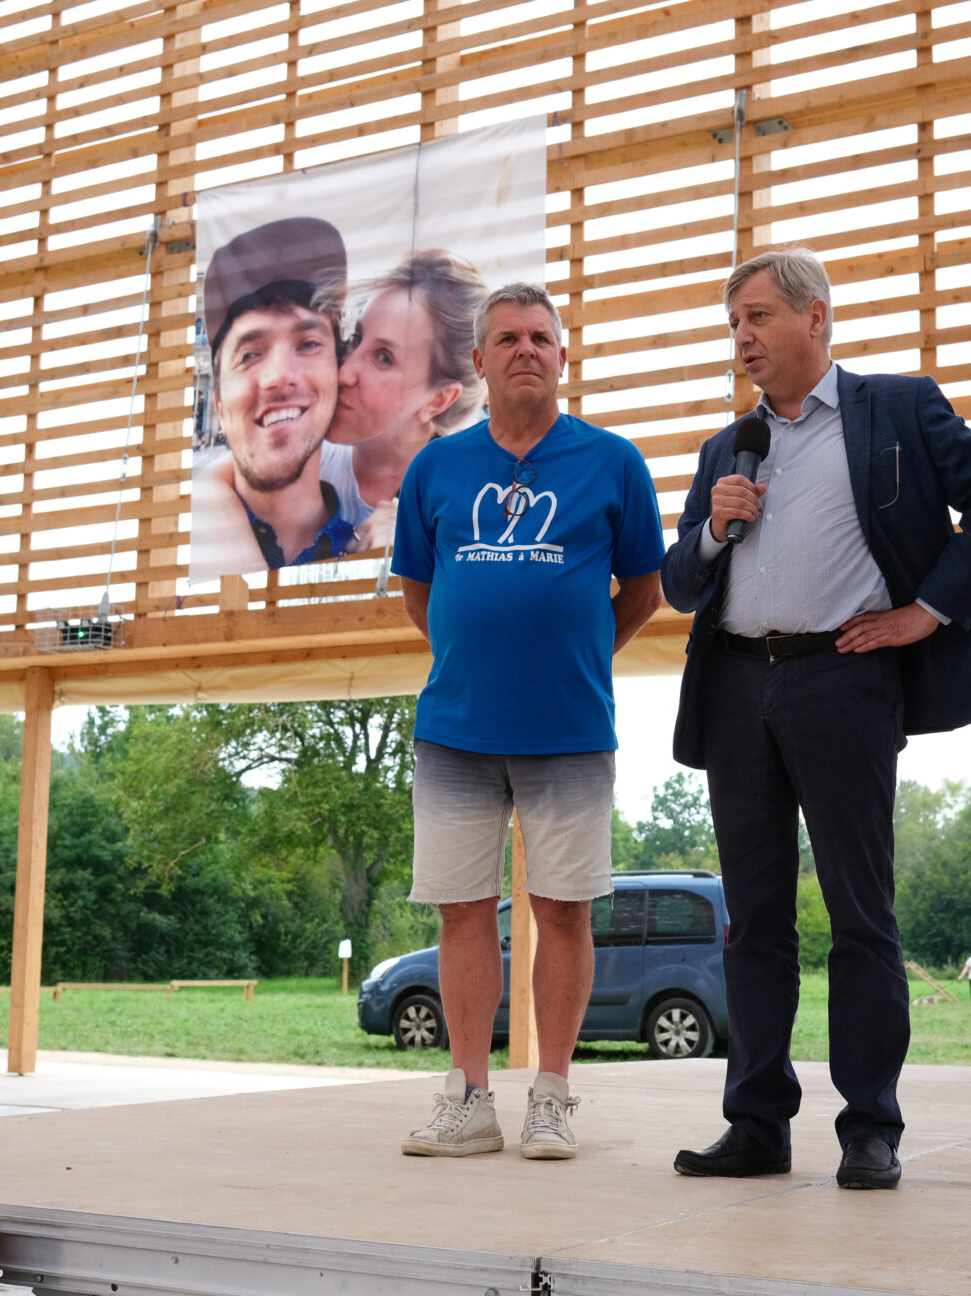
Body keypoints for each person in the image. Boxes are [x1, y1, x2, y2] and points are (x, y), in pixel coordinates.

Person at [662, 247, 971, 1190]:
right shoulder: (728, 448)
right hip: (737, 686)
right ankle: (756, 1125)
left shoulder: (898, 409)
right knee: (753, 922)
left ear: (815, 317)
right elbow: (678, 585)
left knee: (861, 915)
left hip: (844, 679)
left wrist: (929, 610)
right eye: (733, 323)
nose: (742, 336)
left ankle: (871, 1128)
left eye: (757, 316)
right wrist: (711, 530)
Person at [391, 282, 664, 1161]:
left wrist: (572, 651)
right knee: (462, 914)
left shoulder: (613, 462)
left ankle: (551, 1097)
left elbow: (645, 589)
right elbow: (419, 593)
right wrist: (479, 651)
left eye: (541, 338)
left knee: (565, 911)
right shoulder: (436, 467)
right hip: (455, 730)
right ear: (479, 359)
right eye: (507, 338)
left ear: (562, 356)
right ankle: (469, 1101)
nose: (526, 351)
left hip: (570, 728)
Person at [191, 217, 359, 575]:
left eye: (308, 344)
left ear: (339, 372)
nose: (279, 376)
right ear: (218, 403)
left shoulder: (376, 550)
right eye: (249, 354)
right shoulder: (180, 544)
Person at [316, 248, 488, 535]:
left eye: (384, 358)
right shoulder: (301, 460)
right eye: (356, 338)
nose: (344, 374)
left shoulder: (471, 511)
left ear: (438, 400)